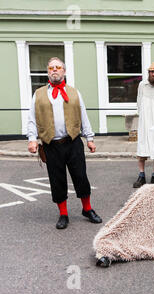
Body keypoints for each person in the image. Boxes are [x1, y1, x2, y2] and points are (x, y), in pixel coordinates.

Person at [27, 57, 102, 230]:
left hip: (73, 141)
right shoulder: (38, 94)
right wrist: (32, 139)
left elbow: (83, 115)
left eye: (58, 67)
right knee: (57, 179)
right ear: (48, 71)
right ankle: (63, 214)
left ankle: (87, 209)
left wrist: (89, 138)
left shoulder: (74, 92)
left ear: (64, 71)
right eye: (51, 67)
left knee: (81, 177)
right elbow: (32, 119)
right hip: (51, 144)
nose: (54, 70)